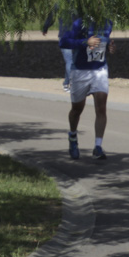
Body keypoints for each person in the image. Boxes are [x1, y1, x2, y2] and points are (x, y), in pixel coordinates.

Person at [43, 11, 115, 160]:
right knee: (77, 110)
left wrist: (109, 47)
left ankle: (98, 146)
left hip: (99, 69)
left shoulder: (108, 22)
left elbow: (105, 40)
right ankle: (73, 137)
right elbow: (64, 42)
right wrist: (84, 42)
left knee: (101, 107)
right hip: (80, 72)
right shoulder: (78, 24)